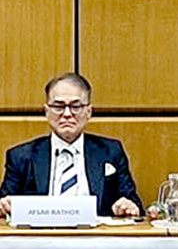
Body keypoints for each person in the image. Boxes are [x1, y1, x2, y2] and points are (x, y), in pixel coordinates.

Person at [0, 73, 142, 217]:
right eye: (58, 106)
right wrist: (4, 205)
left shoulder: (110, 152)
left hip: (95, 236)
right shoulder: (21, 156)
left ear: (88, 112)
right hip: (41, 237)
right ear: (46, 111)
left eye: (76, 106)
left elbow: (133, 204)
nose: (67, 114)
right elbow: (4, 205)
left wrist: (128, 206)